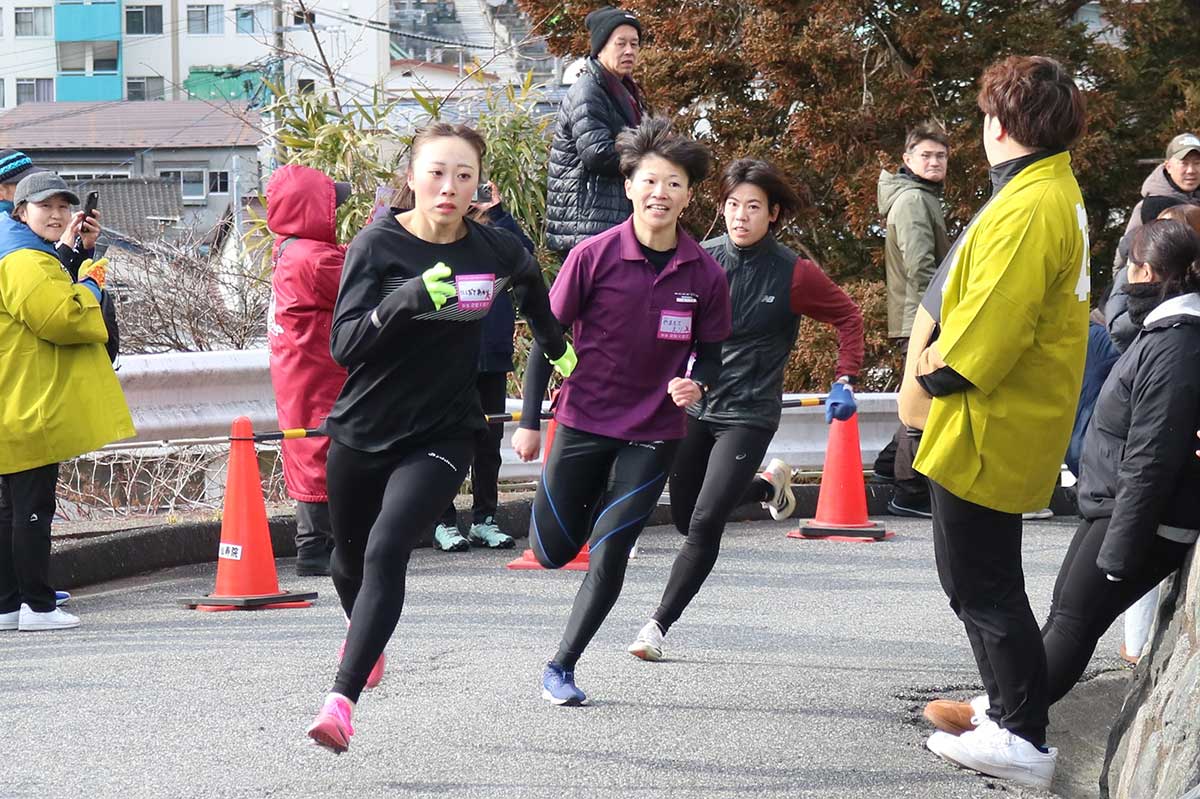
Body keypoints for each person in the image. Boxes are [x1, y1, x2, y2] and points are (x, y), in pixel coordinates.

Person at [303, 123, 572, 753]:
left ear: (479, 185)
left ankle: (340, 703)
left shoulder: (496, 250)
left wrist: (566, 360)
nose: (449, 187)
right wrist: (406, 299)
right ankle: (366, 637)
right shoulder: (378, 244)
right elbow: (344, 345)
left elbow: (537, 304)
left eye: (463, 175)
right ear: (413, 178)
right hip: (363, 429)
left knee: (387, 549)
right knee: (347, 562)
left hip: (445, 432)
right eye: (437, 173)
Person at [923, 218, 1200, 754]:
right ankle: (1002, 710)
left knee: (1075, 622)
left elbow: (1152, 456)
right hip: (1118, 505)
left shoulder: (1177, 343)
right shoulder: (1167, 333)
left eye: (1128, 268)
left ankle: (1013, 727)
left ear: (1144, 272)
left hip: (1140, 514)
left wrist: (1121, 547)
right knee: (1065, 615)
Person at [904, 56, 1090, 791]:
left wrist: (924, 373)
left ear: (1002, 124)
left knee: (981, 582)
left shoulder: (1029, 203)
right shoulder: (1050, 188)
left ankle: (1021, 733)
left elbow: (984, 333)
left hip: (989, 417)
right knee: (983, 578)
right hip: (1009, 415)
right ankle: (1008, 709)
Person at [513, 116, 731, 706]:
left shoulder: (704, 273)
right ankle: (584, 505)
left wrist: (696, 384)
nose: (661, 193)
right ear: (630, 186)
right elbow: (546, 339)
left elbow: (711, 355)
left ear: (688, 195)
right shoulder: (593, 256)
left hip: (653, 432)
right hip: (583, 419)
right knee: (553, 551)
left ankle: (561, 667)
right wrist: (529, 421)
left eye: (674, 184)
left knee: (611, 552)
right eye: (650, 181)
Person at [624, 158, 863, 661]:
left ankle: (656, 626)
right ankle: (767, 487)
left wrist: (845, 377)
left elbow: (848, 316)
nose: (740, 216)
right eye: (733, 205)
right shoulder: (700, 259)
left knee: (705, 522)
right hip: (695, 405)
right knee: (686, 516)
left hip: (749, 412)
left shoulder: (794, 272)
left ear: (772, 214)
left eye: (753, 207)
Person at [0, 171, 134, 632]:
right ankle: (38, 607)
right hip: (29, 401)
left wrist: (77, 254)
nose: (57, 215)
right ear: (21, 211)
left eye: (63, 206)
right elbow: (63, 318)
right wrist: (91, 283)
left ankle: (9, 603)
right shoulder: (24, 261)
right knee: (32, 510)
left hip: (15, 395)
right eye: (46, 207)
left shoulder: (22, 251)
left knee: (11, 509)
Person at [432, 182, 535, 553]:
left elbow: (525, 258)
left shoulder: (496, 235)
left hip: (491, 351)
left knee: (489, 442)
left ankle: (484, 519)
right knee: (445, 438)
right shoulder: (437, 230)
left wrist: (499, 214)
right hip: (448, 354)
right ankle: (442, 520)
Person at [265, 164, 351, 577]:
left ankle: (318, 543)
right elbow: (360, 281)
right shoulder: (314, 259)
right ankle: (316, 547)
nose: (335, 212)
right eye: (330, 204)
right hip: (316, 368)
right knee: (320, 447)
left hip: (297, 366)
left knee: (308, 445)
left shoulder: (290, 248)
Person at [875, 124, 951, 517]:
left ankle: (889, 464)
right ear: (907, 159)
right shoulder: (914, 200)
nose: (934, 161)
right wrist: (937, 317)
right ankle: (909, 490)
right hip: (922, 314)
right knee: (925, 398)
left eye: (941, 155)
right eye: (926, 155)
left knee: (918, 394)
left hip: (917, 313)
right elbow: (921, 266)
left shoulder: (922, 197)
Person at [545, 6, 647, 255]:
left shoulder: (625, 89)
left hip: (603, 218)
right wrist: (648, 151)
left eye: (634, 44)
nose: (629, 51)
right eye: (620, 43)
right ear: (600, 47)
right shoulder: (589, 90)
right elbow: (597, 153)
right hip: (586, 222)